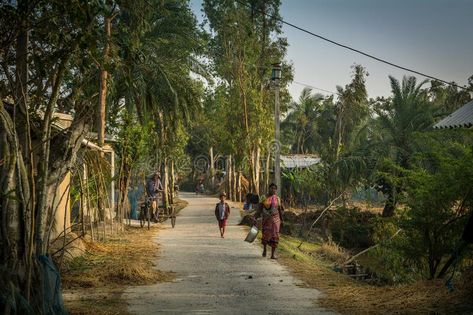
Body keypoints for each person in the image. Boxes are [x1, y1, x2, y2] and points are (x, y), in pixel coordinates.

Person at [253, 183, 284, 259]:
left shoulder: (277, 199)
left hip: (276, 220)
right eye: (272, 188)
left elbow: (279, 209)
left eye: (274, 189)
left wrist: (282, 220)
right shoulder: (263, 197)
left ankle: (272, 254)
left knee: (275, 236)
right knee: (266, 235)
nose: (273, 190)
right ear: (269, 189)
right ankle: (264, 249)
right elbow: (259, 209)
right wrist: (255, 217)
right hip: (266, 219)